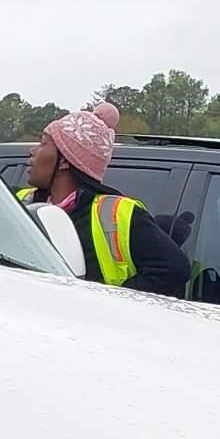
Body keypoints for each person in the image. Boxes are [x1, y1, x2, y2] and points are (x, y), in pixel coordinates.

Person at [17, 102, 191, 296]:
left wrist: (109, 302)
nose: (31, 151)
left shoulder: (116, 214)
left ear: (65, 160)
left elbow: (174, 269)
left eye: (43, 143)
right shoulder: (19, 202)